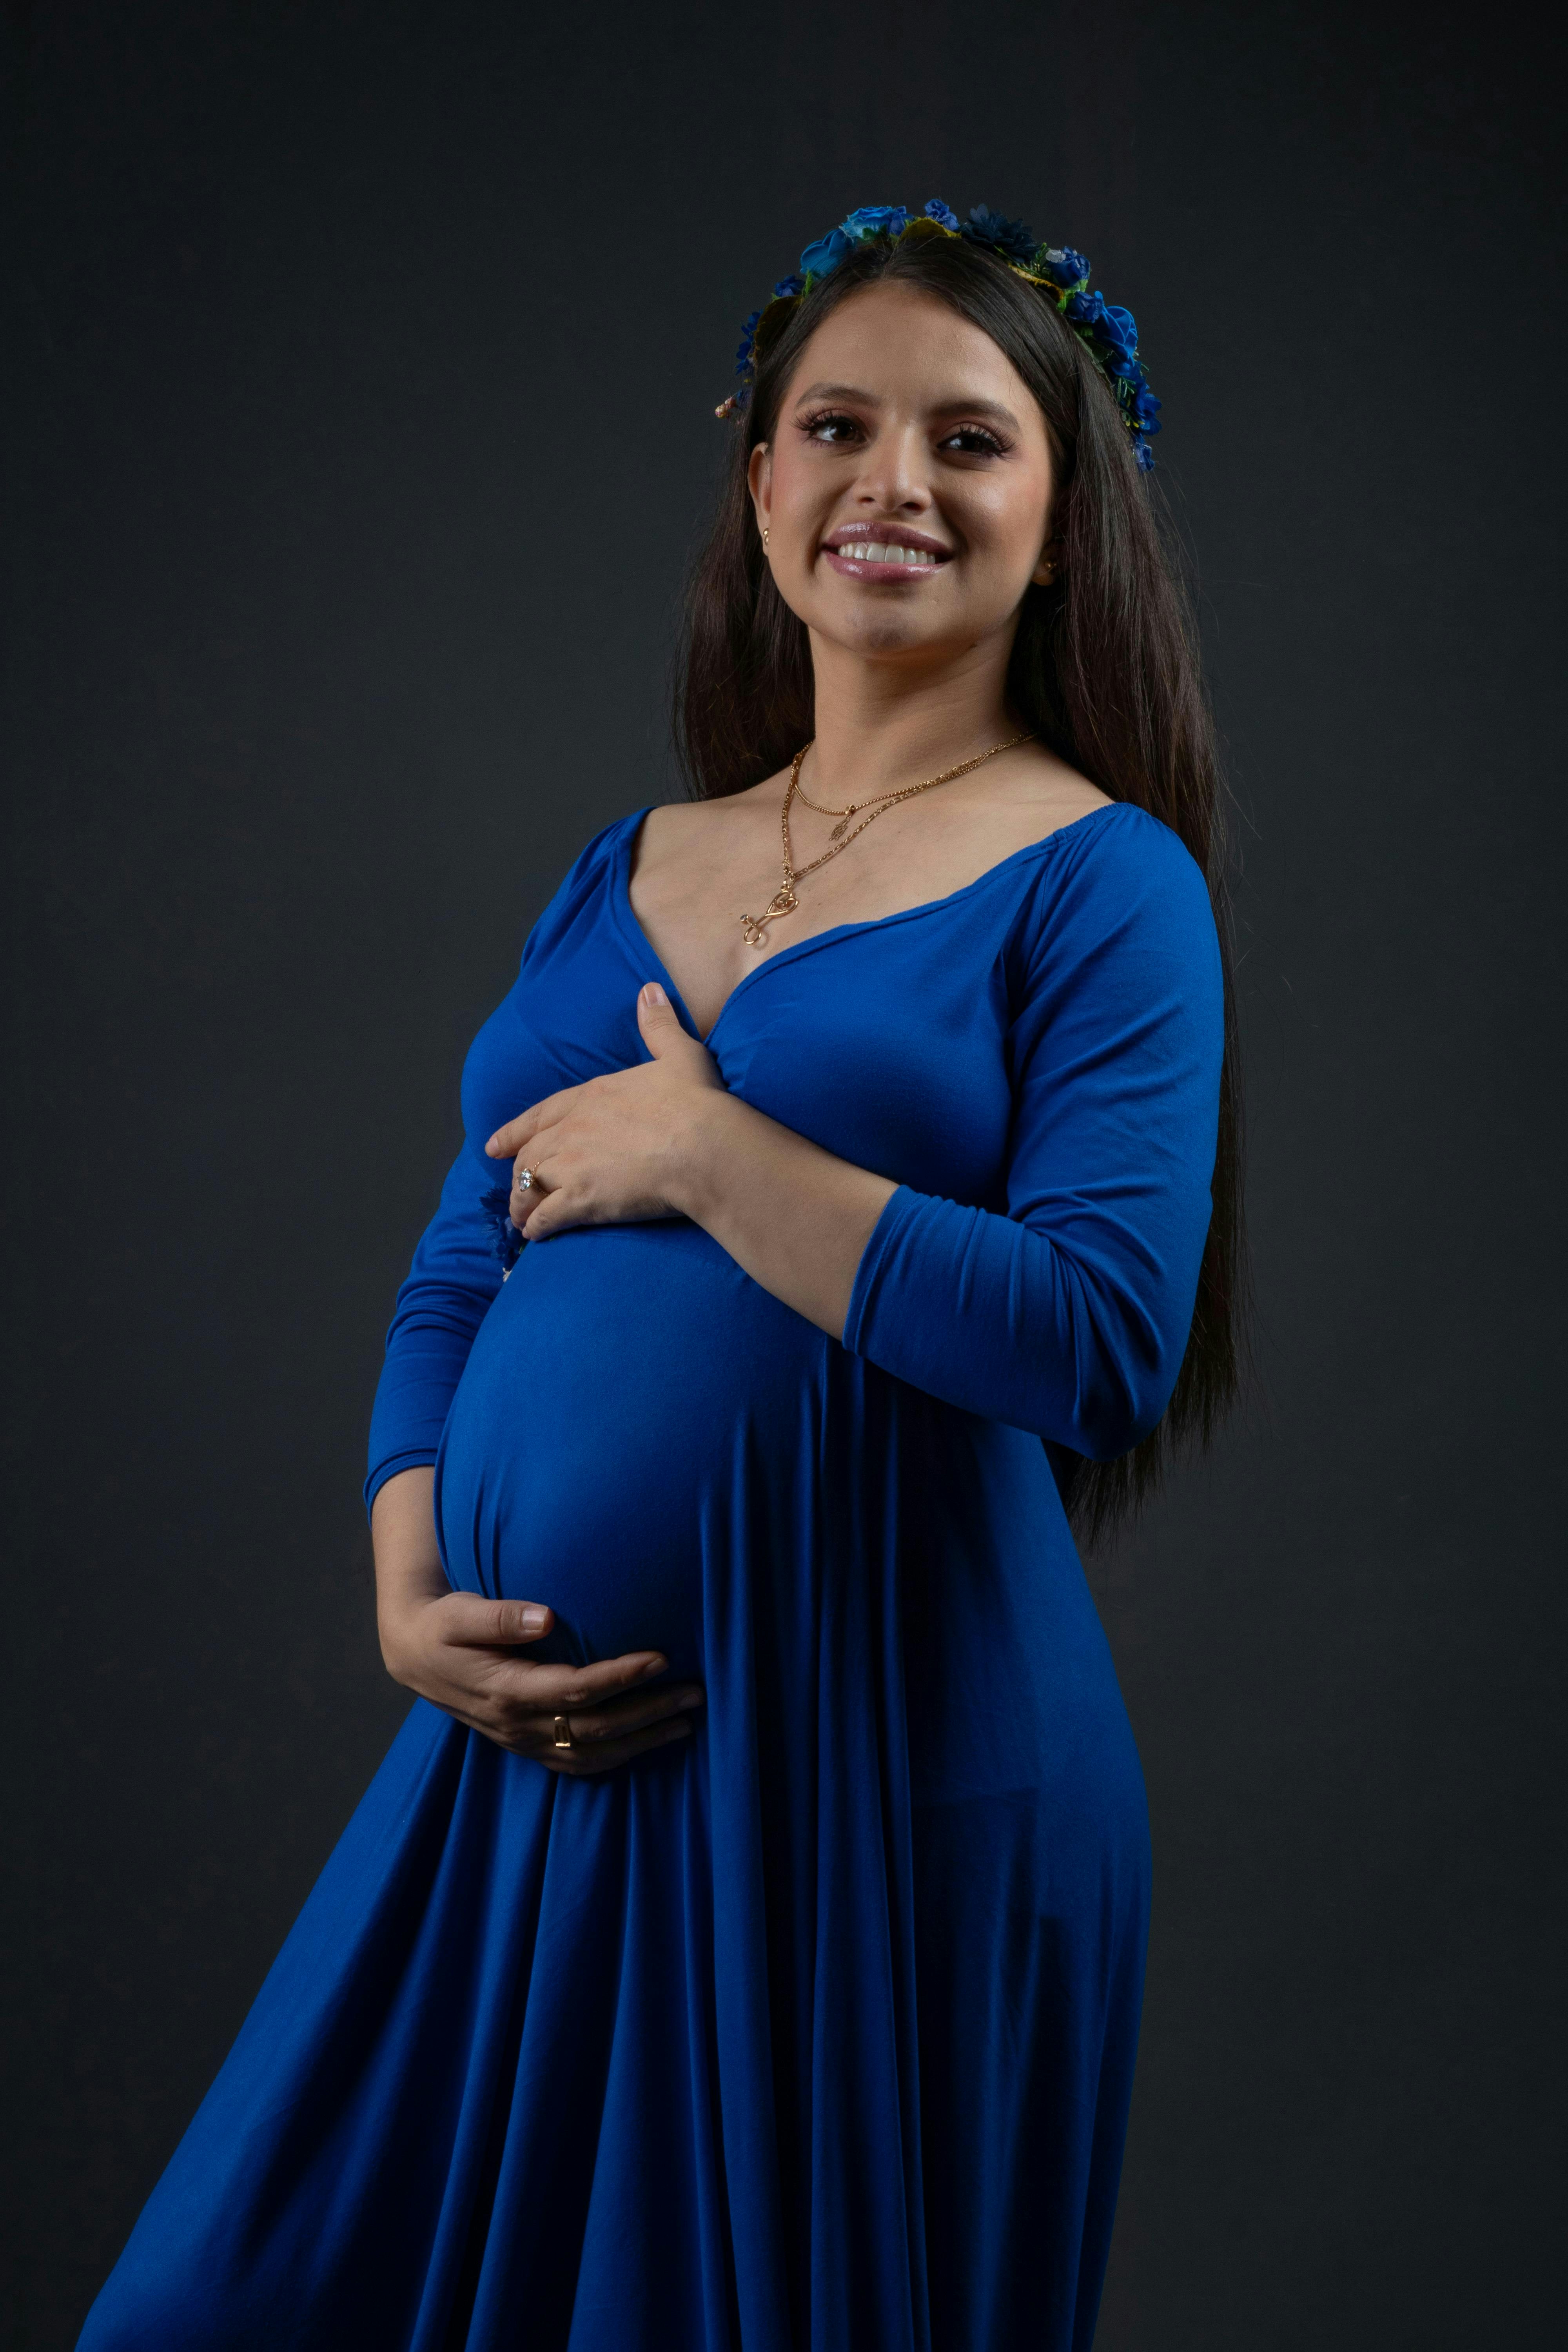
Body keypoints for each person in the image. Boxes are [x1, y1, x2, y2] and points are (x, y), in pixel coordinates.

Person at [78, 200, 1239, 2352]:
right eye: (839, 425)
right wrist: (408, 1581)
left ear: (1065, 521)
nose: (894, 481)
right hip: (532, 1760)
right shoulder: (632, 861)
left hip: (875, 1773)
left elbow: (1097, 1341)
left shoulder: (1106, 882)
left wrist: (717, 1155)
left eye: (970, 441)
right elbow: (468, 1248)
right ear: (763, 480)